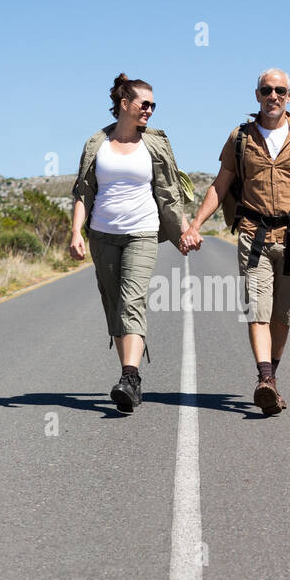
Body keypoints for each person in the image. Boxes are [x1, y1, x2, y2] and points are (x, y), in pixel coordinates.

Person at [180, 68, 290, 415]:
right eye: (266, 90)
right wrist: (195, 225)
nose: (273, 96)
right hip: (254, 235)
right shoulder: (241, 137)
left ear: (289, 96)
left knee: (282, 315)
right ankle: (264, 379)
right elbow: (220, 185)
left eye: (279, 90)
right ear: (257, 95)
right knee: (257, 309)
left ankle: (271, 379)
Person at [70, 73, 191, 413]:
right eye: (145, 104)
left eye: (154, 105)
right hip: (103, 234)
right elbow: (83, 192)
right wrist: (76, 232)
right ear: (125, 105)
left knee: (131, 301)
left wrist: (184, 230)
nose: (150, 110)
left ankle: (130, 376)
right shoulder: (97, 143)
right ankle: (129, 380)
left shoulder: (155, 143)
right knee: (114, 305)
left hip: (142, 231)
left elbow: (170, 194)